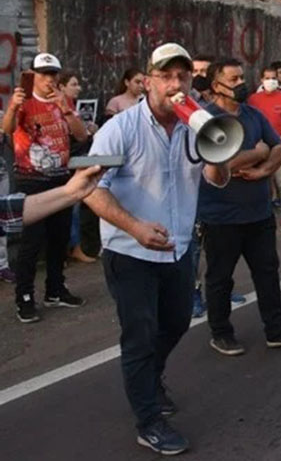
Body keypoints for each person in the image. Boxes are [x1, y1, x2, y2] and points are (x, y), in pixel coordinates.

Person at [85, 43, 231, 454]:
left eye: (182, 76)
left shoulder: (196, 124)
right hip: (129, 252)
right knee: (140, 335)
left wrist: (217, 152)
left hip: (178, 248)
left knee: (178, 323)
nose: (175, 84)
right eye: (165, 76)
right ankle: (148, 420)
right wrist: (134, 227)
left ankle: (150, 378)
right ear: (148, 81)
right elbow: (92, 192)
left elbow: (218, 180)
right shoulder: (120, 128)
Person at [199, 59, 281, 357]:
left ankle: (277, 330)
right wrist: (256, 153)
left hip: (259, 212)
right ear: (216, 86)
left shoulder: (253, 115)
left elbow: (277, 147)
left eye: (240, 77)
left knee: (267, 271)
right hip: (220, 216)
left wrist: (264, 171)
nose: (241, 84)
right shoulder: (204, 121)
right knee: (220, 277)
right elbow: (217, 164)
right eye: (233, 79)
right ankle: (221, 333)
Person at [3, 53, 90, 323]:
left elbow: (81, 135)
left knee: (59, 238)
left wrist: (65, 107)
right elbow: (6, 131)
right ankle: (25, 297)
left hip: (61, 177)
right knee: (32, 242)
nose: (48, 80)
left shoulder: (63, 101)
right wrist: (13, 108)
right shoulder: (24, 102)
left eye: (53, 74)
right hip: (32, 179)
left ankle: (55, 289)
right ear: (32, 76)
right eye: (43, 74)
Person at [248, 65, 281, 226]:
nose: (271, 81)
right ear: (261, 80)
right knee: (263, 180)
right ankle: (264, 211)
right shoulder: (253, 100)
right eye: (267, 78)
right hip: (260, 147)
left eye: (274, 78)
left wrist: (279, 139)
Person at [58, 71, 98, 264]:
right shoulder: (58, 107)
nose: (78, 88)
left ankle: (74, 246)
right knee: (69, 207)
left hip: (78, 158)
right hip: (67, 159)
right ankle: (70, 247)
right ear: (62, 87)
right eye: (73, 84)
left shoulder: (73, 106)